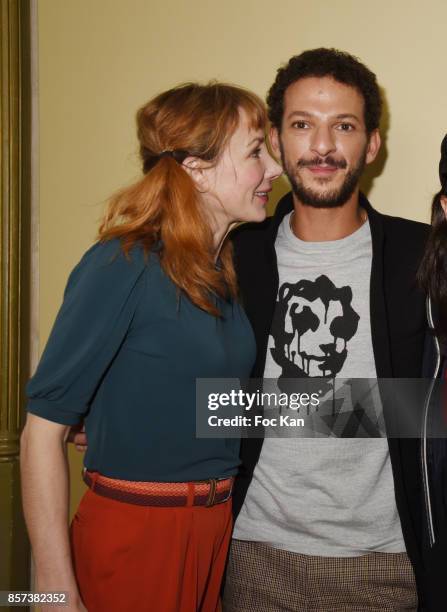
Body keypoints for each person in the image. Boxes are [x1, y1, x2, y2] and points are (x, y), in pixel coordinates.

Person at [20, 82, 281, 612]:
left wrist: (398, 408)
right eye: (256, 151)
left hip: (212, 530)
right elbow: (40, 434)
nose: (273, 168)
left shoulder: (220, 276)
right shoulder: (124, 263)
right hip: (139, 534)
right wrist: (49, 591)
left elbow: (217, 410)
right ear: (196, 169)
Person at [223, 48, 442, 611]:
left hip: (385, 564)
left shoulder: (421, 254)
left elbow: (436, 409)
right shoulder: (233, 256)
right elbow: (199, 396)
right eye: (302, 125)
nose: (322, 147)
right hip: (252, 553)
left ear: (371, 143)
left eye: (342, 126)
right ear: (275, 140)